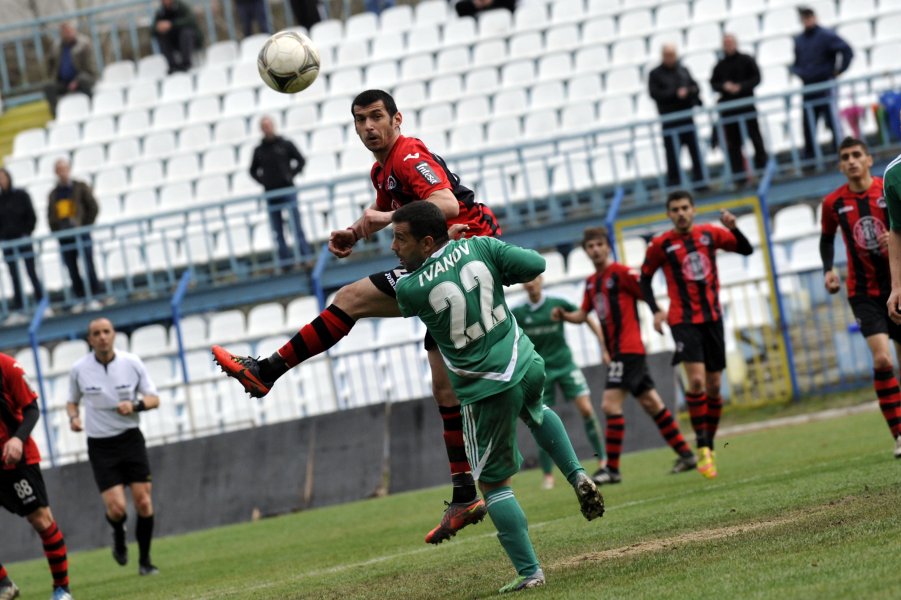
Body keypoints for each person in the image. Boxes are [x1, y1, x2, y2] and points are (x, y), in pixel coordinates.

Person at [214, 89, 502, 545]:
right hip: (440, 261)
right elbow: (391, 216)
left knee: (350, 298)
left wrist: (385, 220)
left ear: (396, 119)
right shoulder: (382, 169)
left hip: (466, 252)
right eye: (359, 120)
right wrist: (354, 231)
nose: (367, 127)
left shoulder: (408, 154)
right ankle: (466, 493)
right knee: (443, 384)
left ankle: (267, 371)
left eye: (375, 117)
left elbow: (444, 204)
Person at [391, 201, 604, 593]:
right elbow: (535, 265)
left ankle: (530, 573)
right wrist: (486, 260)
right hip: (525, 362)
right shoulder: (482, 247)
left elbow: (422, 284)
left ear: (424, 242)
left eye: (399, 238)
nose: (392, 247)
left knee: (493, 486)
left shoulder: (409, 288)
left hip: (485, 389)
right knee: (537, 411)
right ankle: (577, 475)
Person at [555, 227, 698, 484]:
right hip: (621, 352)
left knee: (610, 405)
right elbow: (582, 314)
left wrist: (657, 311)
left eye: (599, 245)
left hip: (628, 349)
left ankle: (612, 468)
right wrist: (565, 316)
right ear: (586, 251)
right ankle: (686, 454)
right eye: (590, 246)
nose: (595, 250)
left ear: (607, 247)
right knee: (651, 403)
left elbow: (645, 290)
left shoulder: (621, 274)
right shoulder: (591, 282)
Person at [639, 190, 754, 478]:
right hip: (683, 320)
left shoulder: (709, 235)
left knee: (715, 385)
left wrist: (733, 228)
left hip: (712, 317)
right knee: (698, 381)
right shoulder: (661, 244)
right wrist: (655, 309)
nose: (680, 213)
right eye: (675, 209)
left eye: (685, 208)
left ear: (693, 210)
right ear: (669, 213)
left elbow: (746, 249)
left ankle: (709, 445)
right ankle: (702, 447)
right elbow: (644, 279)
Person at [821, 138, 901, 458]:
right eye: (845, 157)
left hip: (898, 284)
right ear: (840, 166)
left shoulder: (887, 187)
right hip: (863, 292)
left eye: (857, 155)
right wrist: (828, 270)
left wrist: (893, 236)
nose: (852, 161)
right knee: (882, 359)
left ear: (869, 159)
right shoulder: (832, 203)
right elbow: (826, 240)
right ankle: (898, 435)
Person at [66, 318, 161, 576]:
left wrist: (136, 406)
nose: (102, 337)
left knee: (143, 501)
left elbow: (154, 399)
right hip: (101, 446)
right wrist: (73, 418)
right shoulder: (79, 369)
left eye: (106, 332)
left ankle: (145, 561)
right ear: (89, 339)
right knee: (117, 508)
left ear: (114, 334)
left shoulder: (132, 363)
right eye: (96, 333)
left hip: (130, 439)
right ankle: (118, 534)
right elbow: (71, 402)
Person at [510, 276, 607, 489]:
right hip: (540, 370)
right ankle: (548, 476)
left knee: (587, 410)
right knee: (540, 419)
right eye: (528, 281)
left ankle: (603, 460)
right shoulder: (518, 312)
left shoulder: (557, 303)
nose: (531, 284)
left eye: (535, 280)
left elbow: (584, 317)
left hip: (565, 365)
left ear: (542, 280)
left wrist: (603, 345)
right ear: (524, 284)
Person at [0, 352, 74, 600]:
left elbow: (31, 409)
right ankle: (4, 584)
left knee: (41, 521)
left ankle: (61, 589)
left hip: (17, 459)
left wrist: (18, 439)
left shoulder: (7, 366)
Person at [791, 6, 853, 162]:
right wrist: (799, 72)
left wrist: (839, 70)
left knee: (832, 120)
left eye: (809, 16)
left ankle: (840, 154)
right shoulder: (799, 40)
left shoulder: (826, 35)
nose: (807, 20)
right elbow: (798, 61)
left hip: (824, 84)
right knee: (808, 122)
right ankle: (810, 158)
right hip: (808, 86)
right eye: (804, 17)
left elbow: (847, 50)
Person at [249, 116, 312, 264]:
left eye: (269, 125)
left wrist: (291, 175)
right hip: (271, 193)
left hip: (288, 191)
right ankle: (285, 262)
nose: (267, 128)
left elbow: (301, 160)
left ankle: (305, 257)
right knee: (278, 230)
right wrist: (264, 182)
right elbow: (252, 170)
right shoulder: (259, 150)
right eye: (264, 126)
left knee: (296, 226)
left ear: (273, 126)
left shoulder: (285, 144)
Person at [710, 33, 768, 187]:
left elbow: (756, 78)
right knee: (734, 145)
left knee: (756, 139)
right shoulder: (719, 66)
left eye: (730, 43)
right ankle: (740, 176)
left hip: (747, 106)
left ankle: (763, 169)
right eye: (726, 44)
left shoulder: (746, 60)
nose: (728, 46)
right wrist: (724, 86)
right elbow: (714, 83)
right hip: (729, 112)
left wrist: (741, 87)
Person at [47, 158, 102, 312]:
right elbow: (51, 215)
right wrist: (57, 230)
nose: (62, 173)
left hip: (81, 233)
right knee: (71, 268)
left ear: (69, 169)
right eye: (59, 170)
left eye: (64, 169)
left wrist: (85, 226)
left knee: (88, 264)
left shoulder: (80, 187)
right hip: (65, 236)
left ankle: (95, 295)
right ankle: (80, 297)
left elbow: (93, 207)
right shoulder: (54, 194)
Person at [649, 43, 704, 187]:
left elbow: (695, 87)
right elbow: (655, 94)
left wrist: (688, 92)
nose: (670, 58)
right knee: (672, 153)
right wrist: (675, 94)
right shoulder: (655, 74)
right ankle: (674, 183)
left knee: (694, 150)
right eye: (667, 55)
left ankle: (700, 180)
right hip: (669, 120)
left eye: (672, 55)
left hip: (686, 117)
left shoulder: (683, 70)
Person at [0, 168, 45, 322]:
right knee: (14, 276)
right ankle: (19, 308)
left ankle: (42, 303)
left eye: (3, 177)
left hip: (23, 240)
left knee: (31, 271)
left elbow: (31, 216)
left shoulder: (21, 195)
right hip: (8, 243)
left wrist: (26, 233)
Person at [44, 21, 96, 118]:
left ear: (74, 31)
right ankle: (57, 115)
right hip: (63, 82)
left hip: (82, 78)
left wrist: (76, 81)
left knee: (84, 80)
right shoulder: (56, 47)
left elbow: (90, 68)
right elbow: (51, 66)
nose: (67, 34)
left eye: (69, 31)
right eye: (64, 32)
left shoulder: (84, 45)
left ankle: (91, 108)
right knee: (49, 86)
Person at [152, 0, 203, 73]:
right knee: (161, 36)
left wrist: (171, 24)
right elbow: (153, 30)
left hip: (190, 40)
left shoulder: (182, 7)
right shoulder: (160, 12)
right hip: (174, 43)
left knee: (186, 33)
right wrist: (158, 28)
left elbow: (191, 21)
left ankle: (186, 63)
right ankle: (172, 66)